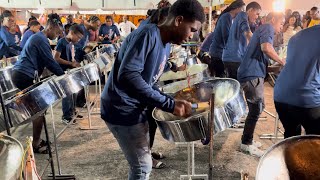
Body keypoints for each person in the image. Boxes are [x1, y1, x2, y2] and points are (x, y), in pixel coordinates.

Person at [100, 0, 205, 179]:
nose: (191, 37)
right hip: (122, 108)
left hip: (134, 107)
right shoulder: (148, 34)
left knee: (142, 164)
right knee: (142, 167)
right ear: (178, 20)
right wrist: (168, 103)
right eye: (192, 30)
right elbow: (128, 75)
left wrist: (169, 77)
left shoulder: (166, 40)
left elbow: (149, 73)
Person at [12, 13, 65, 154]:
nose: (58, 35)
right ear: (51, 27)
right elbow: (50, 62)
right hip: (23, 75)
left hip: (24, 74)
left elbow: (44, 63)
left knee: (40, 109)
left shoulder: (41, 38)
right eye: (58, 32)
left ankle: (37, 140)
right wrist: (63, 76)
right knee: (39, 110)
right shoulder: (40, 39)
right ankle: (35, 143)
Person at [237, 12, 286, 157]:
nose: (281, 27)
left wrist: (275, 66)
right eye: (281, 23)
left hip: (253, 73)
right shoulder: (267, 27)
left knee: (259, 107)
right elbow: (266, 48)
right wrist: (282, 61)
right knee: (256, 108)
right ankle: (246, 143)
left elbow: (263, 55)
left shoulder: (263, 29)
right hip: (251, 75)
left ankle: (247, 140)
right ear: (273, 20)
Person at [274, 25, 320, 138]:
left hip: (281, 95)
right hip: (305, 98)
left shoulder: (300, 34)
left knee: (291, 138)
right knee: (314, 142)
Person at [222, 2, 261, 80]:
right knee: (237, 86)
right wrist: (261, 46)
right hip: (233, 59)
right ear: (251, 10)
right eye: (257, 14)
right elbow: (248, 33)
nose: (257, 17)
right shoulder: (242, 15)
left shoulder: (246, 21)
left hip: (234, 58)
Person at [54, 24, 84, 124]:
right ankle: (66, 116)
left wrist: (75, 62)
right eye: (78, 37)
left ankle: (72, 111)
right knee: (67, 93)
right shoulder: (61, 42)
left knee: (74, 91)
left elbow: (71, 57)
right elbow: (56, 58)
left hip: (70, 70)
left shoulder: (71, 43)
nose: (79, 40)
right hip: (63, 71)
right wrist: (70, 63)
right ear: (71, 33)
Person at [208, 0, 245, 77]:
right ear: (237, 8)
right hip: (218, 54)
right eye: (242, 10)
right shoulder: (227, 17)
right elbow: (227, 38)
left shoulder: (230, 18)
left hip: (218, 54)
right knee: (221, 80)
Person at [74, 16, 101, 108]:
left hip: (81, 57)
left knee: (84, 79)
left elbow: (84, 45)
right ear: (91, 22)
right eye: (97, 25)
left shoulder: (88, 32)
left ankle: (82, 100)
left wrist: (90, 46)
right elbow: (75, 45)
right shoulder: (81, 29)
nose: (98, 27)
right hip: (76, 58)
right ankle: (79, 101)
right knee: (80, 80)